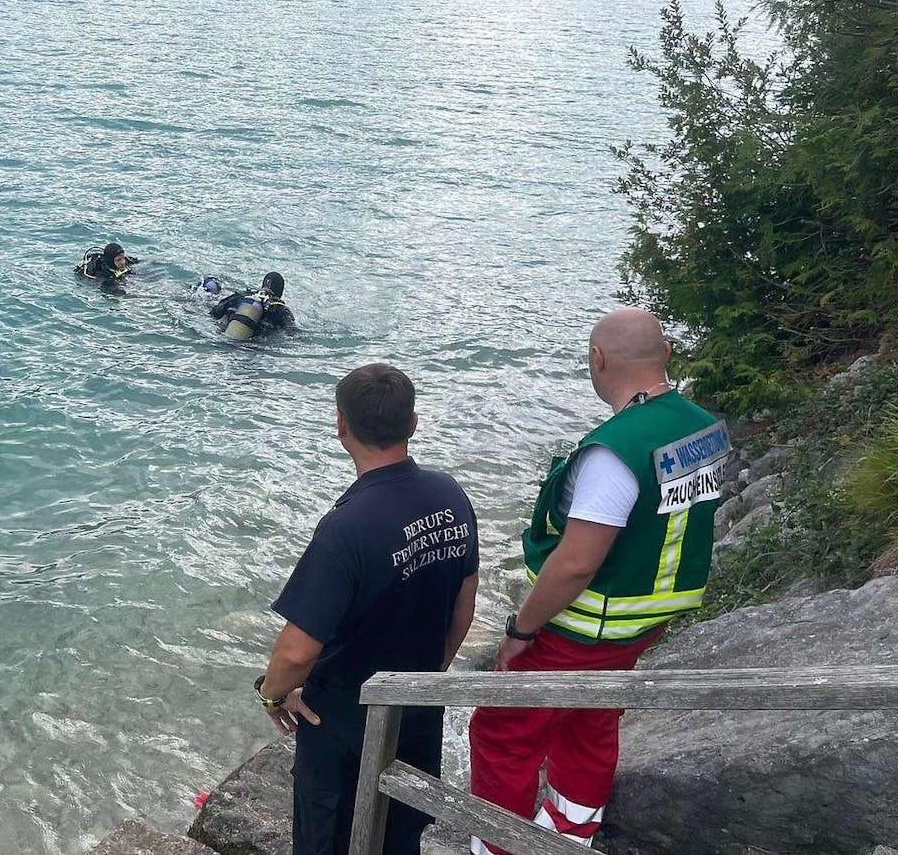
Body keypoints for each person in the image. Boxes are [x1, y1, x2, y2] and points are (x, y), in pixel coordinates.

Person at [467, 309, 728, 855]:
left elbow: (576, 564)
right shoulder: (702, 426)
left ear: (597, 360)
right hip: (648, 618)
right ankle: (571, 832)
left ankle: (498, 847)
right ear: (668, 355)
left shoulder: (614, 451)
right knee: (590, 720)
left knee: (501, 732)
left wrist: (521, 628)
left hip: (587, 625)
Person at [256, 363, 480, 855]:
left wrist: (273, 696)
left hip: (344, 727)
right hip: (416, 707)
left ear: (341, 426)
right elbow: (467, 593)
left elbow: (295, 653)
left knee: (330, 839)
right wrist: (432, 668)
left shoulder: (347, 528)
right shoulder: (449, 494)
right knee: (401, 834)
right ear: (413, 423)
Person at [210, 272, 295, 339]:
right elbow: (291, 332)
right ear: (280, 291)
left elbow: (215, 312)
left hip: (224, 334)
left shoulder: (243, 295)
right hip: (251, 346)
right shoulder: (279, 308)